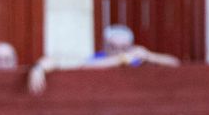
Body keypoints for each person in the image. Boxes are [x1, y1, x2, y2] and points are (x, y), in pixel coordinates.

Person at [26, 24, 179, 93]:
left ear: (131, 46)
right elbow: (81, 67)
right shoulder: (98, 58)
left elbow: (175, 64)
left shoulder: (139, 59)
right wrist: (38, 68)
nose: (119, 52)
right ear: (105, 46)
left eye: (124, 48)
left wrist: (150, 56)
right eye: (114, 47)